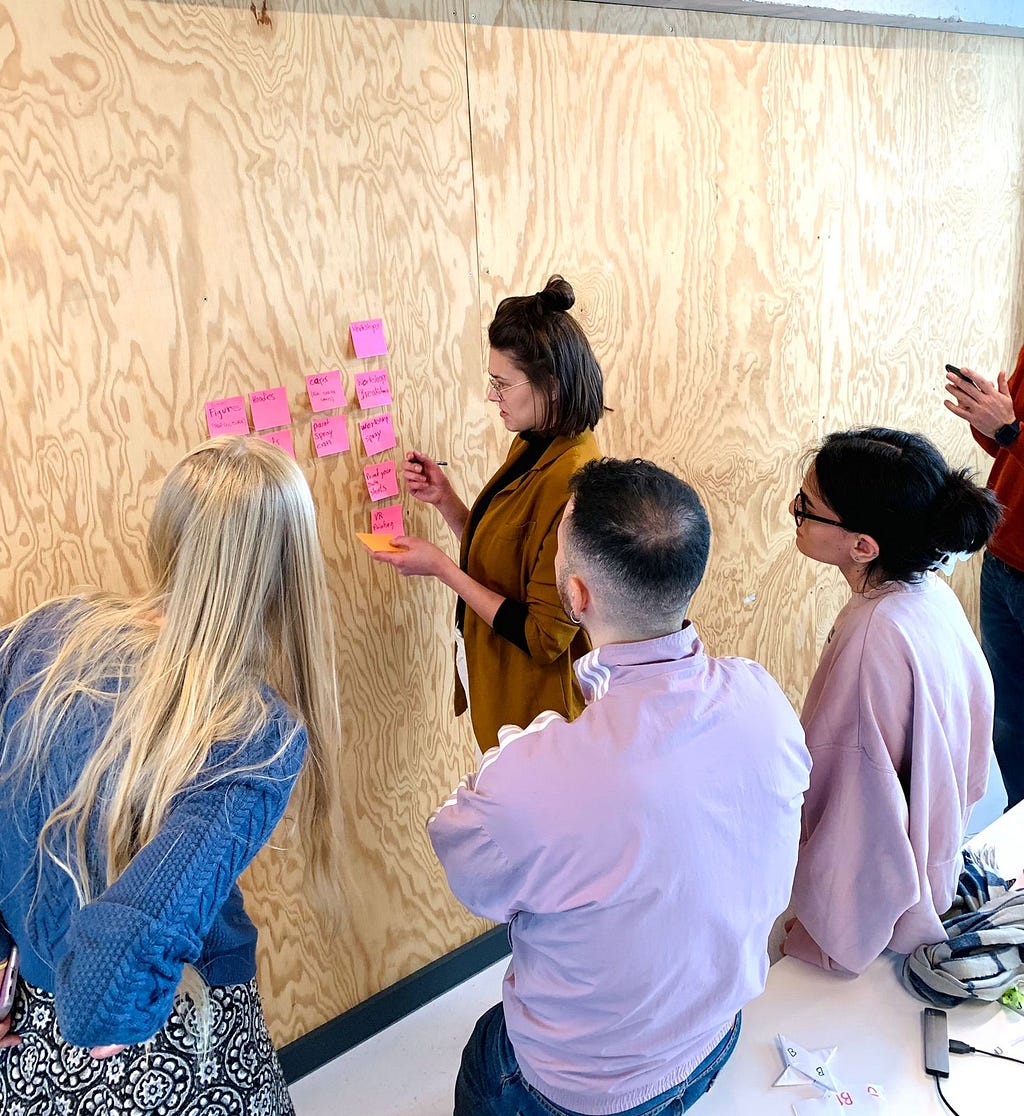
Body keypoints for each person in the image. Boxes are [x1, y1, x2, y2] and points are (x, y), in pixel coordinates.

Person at [429, 458, 811, 1116]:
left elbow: (472, 875)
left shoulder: (531, 775)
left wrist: (522, 753)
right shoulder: (762, 696)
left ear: (576, 596)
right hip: (716, 1035)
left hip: (579, 1089)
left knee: (484, 1062)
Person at [0, 436, 341, 1114]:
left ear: (168, 534)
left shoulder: (44, 633)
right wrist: (109, 1012)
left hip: (31, 1040)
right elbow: (105, 992)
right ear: (285, 571)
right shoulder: (255, 734)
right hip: (171, 1053)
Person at [782, 427, 999, 976]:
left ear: (863, 546)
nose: (793, 509)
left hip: (885, 910)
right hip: (933, 858)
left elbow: (858, 809)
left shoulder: (873, 633)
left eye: (806, 506)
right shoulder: (929, 593)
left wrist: (827, 929)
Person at [374, 275, 604, 750]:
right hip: (506, 702)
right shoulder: (534, 442)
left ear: (552, 387)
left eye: (501, 385)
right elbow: (507, 562)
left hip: (543, 721)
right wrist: (448, 503)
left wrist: (440, 567)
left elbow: (543, 636)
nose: (492, 397)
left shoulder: (572, 479)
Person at [944, 349, 1024, 808]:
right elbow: (1006, 446)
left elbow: (1015, 435)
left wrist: (1011, 430)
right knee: (1010, 724)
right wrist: (988, 416)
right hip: (1002, 563)